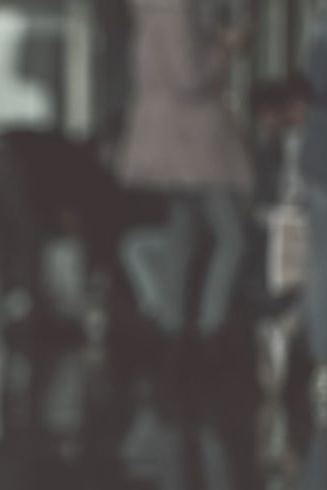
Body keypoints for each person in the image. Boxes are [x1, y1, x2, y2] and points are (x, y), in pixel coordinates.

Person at [117, 0, 253, 349]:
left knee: (183, 234)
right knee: (232, 237)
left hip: (173, 141)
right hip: (195, 141)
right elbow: (188, 74)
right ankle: (211, 327)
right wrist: (226, 46)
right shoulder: (177, 8)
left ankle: (172, 326)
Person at [300, 1, 327, 406]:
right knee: (325, 266)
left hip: (326, 162)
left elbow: (316, 82)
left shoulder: (326, 29)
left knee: (323, 265)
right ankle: (323, 363)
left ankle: (322, 364)